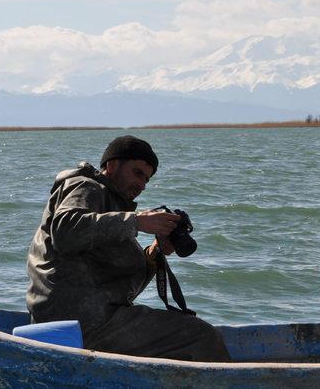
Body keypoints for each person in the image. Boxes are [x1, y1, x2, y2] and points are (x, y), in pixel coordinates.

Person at [26, 135, 230, 362]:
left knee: (192, 335)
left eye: (147, 180)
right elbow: (66, 231)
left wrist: (156, 251)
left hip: (90, 317)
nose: (142, 185)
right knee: (202, 337)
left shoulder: (112, 212)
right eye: (137, 173)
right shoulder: (86, 186)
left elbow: (122, 287)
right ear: (111, 165)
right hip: (80, 321)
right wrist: (138, 222)